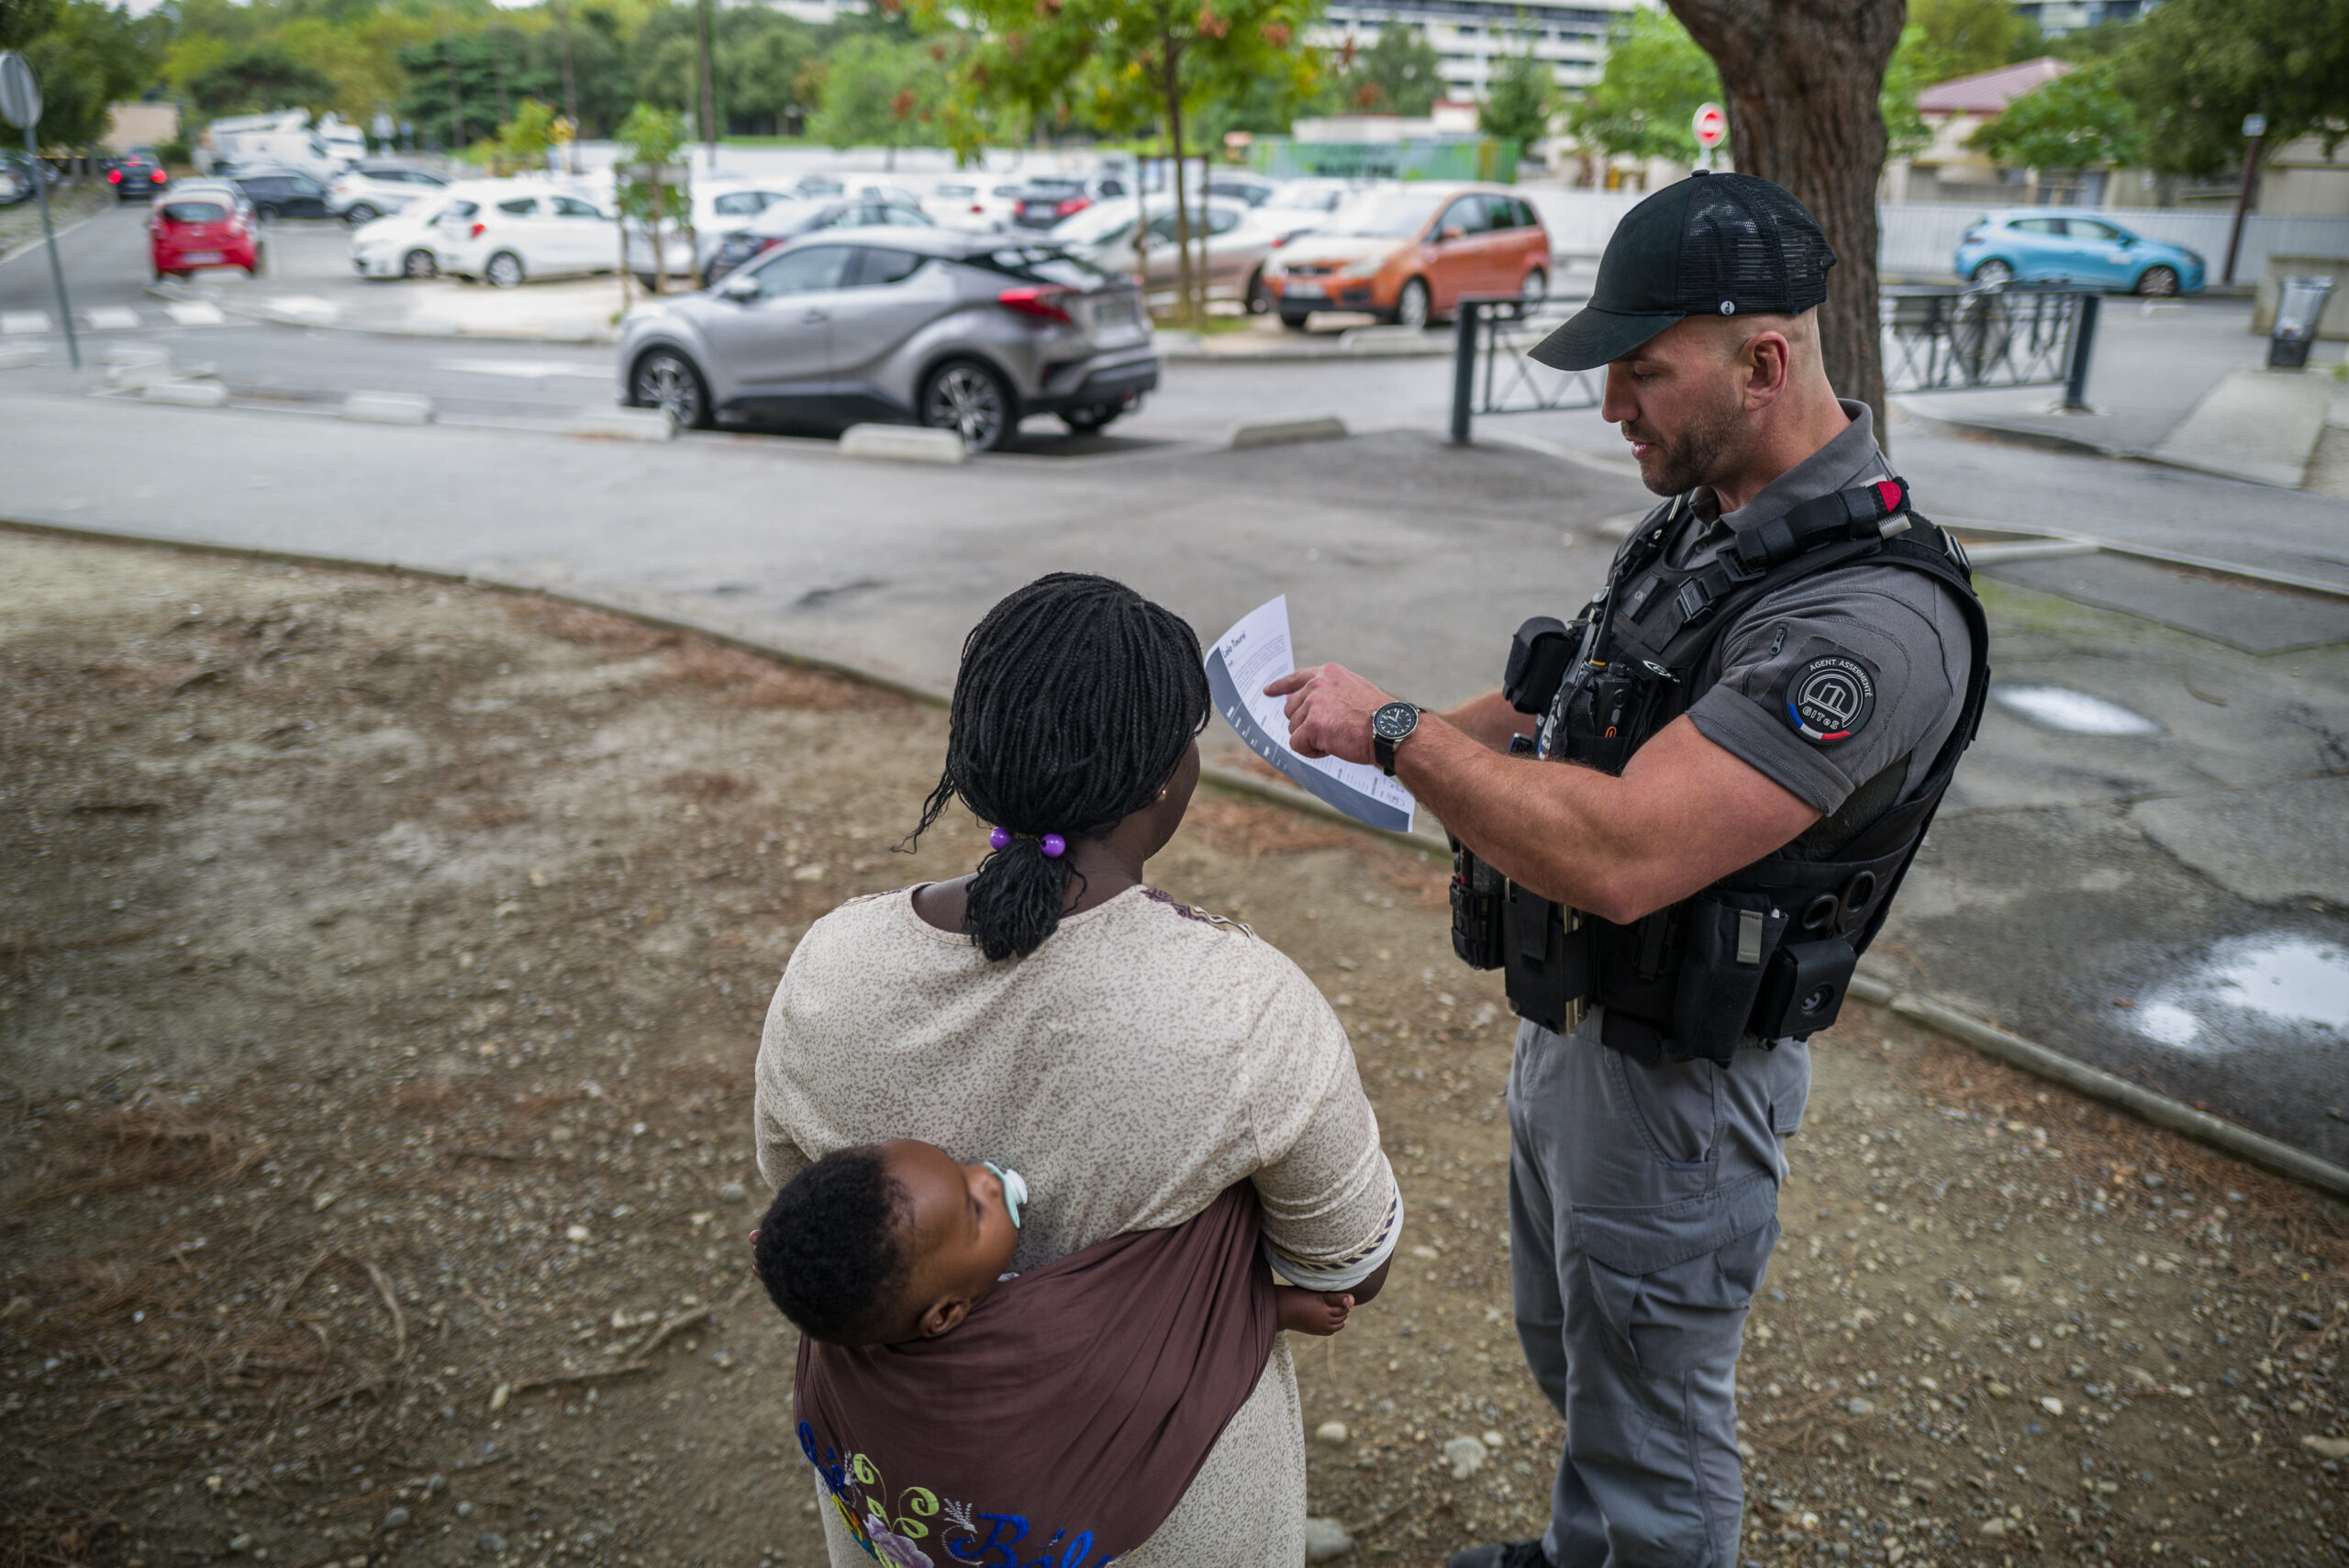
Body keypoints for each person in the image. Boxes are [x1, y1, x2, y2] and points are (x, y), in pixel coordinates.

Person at [1270, 172, 1988, 1568]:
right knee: (1583, 1356)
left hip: (1679, 1091)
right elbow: (1577, 711)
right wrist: (1363, 744)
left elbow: (1627, 853)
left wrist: (1404, 734)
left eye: (1642, 374)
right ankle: (1581, 1549)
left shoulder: (1870, 618)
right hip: (1582, 1039)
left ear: (1763, 361)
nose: (1613, 410)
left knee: (1659, 1416)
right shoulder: (1716, 513)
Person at [754, 572, 1401, 1568]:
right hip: (1166, 1515)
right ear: (1163, 781)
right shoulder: (1242, 1004)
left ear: (973, 753)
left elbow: (805, 1206)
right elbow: (1351, 1263)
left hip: (915, 1508)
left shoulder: (830, 966)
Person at [751, 1139, 1360, 1343]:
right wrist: (1275, 1309)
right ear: (945, 1313)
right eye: (973, 1207)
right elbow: (1155, 1337)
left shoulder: (856, 1314)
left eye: (961, 1166)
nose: (988, 1177)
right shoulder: (1037, 1326)